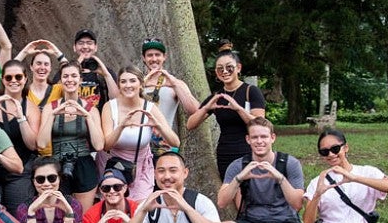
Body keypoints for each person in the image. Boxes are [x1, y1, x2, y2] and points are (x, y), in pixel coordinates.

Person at [100, 66, 179, 201]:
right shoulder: (109, 107)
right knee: (115, 212)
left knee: (139, 211)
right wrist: (121, 126)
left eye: (132, 81)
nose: (128, 85)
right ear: (119, 85)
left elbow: (175, 142)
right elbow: (106, 145)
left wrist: (158, 125)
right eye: (123, 82)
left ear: (141, 84)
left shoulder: (149, 108)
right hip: (113, 167)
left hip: (140, 168)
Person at [186, 51, 266, 179]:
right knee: (230, 190)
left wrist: (238, 109)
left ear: (238, 68)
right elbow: (190, 124)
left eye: (229, 67)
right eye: (220, 69)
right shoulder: (217, 97)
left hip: (249, 151)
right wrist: (206, 108)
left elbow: (261, 124)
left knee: (250, 192)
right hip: (225, 152)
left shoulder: (251, 91)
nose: (225, 71)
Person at [37, 61, 104, 211]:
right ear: (60, 81)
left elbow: (99, 145)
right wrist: (53, 115)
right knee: (59, 216)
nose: (70, 80)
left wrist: (86, 116)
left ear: (80, 80)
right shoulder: (50, 108)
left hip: (84, 165)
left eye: (74, 76)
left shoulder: (91, 110)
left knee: (83, 217)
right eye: (65, 76)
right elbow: (41, 143)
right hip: (58, 166)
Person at [0, 59, 40, 215]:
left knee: (18, 214)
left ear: (25, 79)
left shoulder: (30, 107)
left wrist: (20, 117)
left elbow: (32, 145)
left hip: (19, 171)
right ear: (2, 80)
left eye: (18, 77)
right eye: (9, 78)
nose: (14, 81)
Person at [139, 38, 199, 160]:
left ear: (164, 57)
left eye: (158, 55)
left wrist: (174, 84)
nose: (154, 59)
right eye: (150, 55)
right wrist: (143, 82)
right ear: (143, 58)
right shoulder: (136, 83)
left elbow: (194, 110)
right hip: (140, 143)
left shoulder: (174, 83)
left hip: (164, 144)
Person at [16, 40, 65, 156]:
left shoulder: (59, 89)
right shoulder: (23, 92)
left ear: (50, 68)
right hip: (30, 153)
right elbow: (8, 71)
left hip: (56, 152)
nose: (42, 67)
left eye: (46, 64)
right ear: (31, 67)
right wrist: (24, 53)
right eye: (38, 63)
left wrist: (58, 54)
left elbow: (72, 74)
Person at [51, 29, 118, 112]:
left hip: (97, 121)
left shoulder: (106, 72)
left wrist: (106, 75)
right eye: (81, 43)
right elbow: (54, 94)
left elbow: (116, 100)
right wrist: (75, 66)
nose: (85, 46)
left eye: (89, 43)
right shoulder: (64, 72)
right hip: (72, 118)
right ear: (74, 47)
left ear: (95, 47)